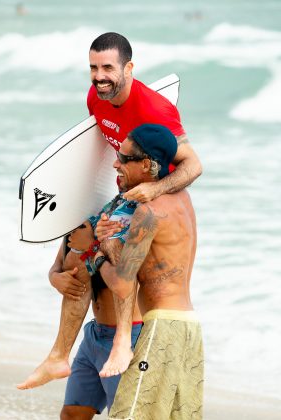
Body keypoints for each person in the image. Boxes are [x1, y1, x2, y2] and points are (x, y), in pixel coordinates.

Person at [17, 32, 202, 418]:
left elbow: (193, 165)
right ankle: (58, 354)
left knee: (115, 262)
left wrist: (152, 190)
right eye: (93, 67)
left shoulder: (156, 111)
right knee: (82, 242)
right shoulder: (95, 99)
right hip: (123, 189)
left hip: (147, 193)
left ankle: (120, 340)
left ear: (129, 69)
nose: (99, 76)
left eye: (108, 68)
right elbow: (99, 161)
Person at [93, 124, 203, 419]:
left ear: (146, 165)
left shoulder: (149, 210)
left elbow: (122, 282)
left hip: (161, 330)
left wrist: (102, 251)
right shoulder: (183, 202)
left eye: (123, 157)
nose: (116, 163)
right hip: (189, 328)